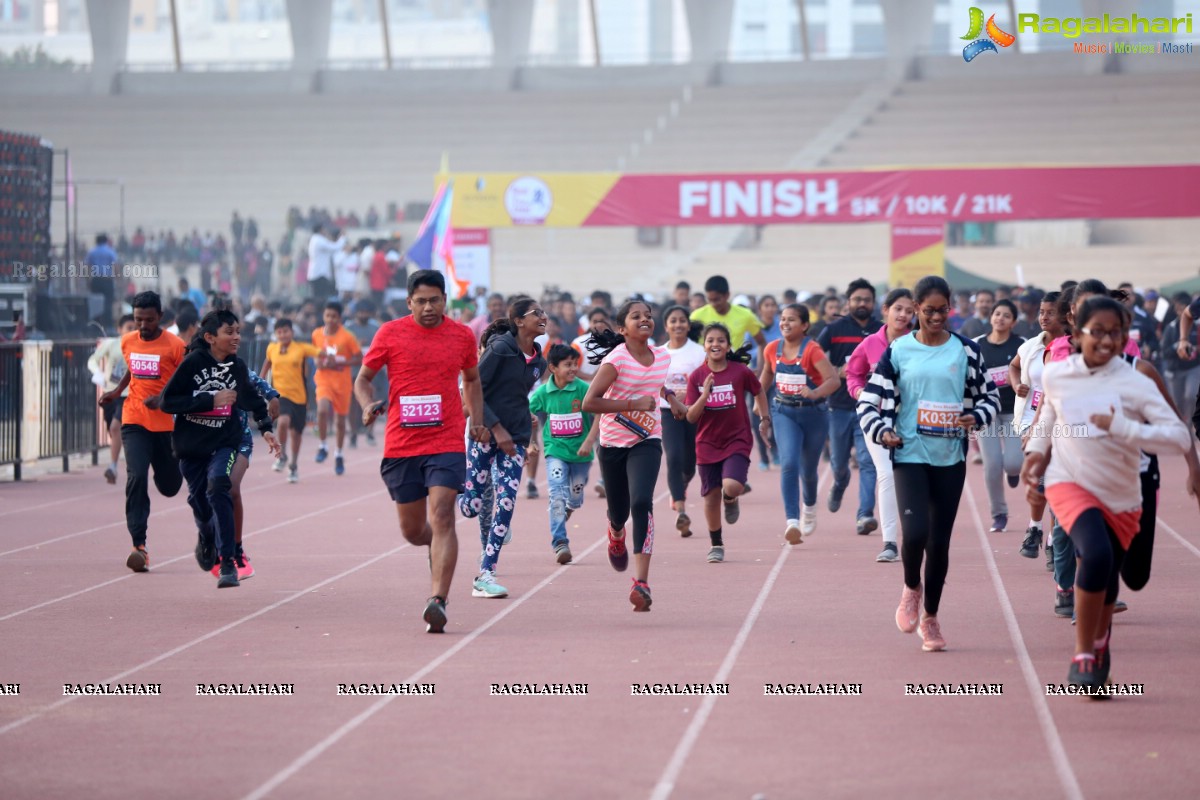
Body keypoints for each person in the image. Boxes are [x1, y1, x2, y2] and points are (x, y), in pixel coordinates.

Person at [1021, 296, 1191, 692]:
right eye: (1096, 332)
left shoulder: (1135, 381)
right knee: (1094, 554)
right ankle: (1082, 652)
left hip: (1122, 492)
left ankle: (1099, 647)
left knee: (1109, 581)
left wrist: (1127, 430)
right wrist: (1035, 455)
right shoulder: (1059, 375)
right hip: (1070, 483)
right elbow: (1047, 419)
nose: (1106, 340)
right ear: (1077, 334)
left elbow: (1179, 436)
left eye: (1115, 332)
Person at [858, 275, 1000, 652]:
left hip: (950, 457)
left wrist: (977, 416)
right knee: (916, 532)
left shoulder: (966, 351)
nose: (937, 317)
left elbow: (990, 397)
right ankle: (910, 587)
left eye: (943, 310)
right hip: (908, 453)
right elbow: (867, 402)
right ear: (915, 310)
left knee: (939, 544)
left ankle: (931, 618)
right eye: (929, 311)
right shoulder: (899, 351)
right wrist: (882, 431)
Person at [354, 269, 487, 633]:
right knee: (414, 531)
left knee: (443, 513)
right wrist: (367, 405)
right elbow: (363, 379)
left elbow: (472, 380)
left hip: (445, 441)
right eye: (421, 301)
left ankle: (438, 600)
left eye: (435, 300)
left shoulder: (460, 336)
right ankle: (437, 545)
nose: (429, 307)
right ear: (409, 302)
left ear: (445, 301)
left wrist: (476, 420)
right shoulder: (390, 333)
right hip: (401, 444)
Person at [160, 309, 279, 589]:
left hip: (225, 442)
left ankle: (227, 563)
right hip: (191, 447)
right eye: (230, 332)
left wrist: (267, 429)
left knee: (219, 486)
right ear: (211, 337)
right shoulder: (192, 363)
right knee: (202, 506)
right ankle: (206, 535)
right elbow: (168, 401)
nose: (236, 337)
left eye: (238, 331)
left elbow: (252, 398)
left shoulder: (237, 366)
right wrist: (209, 401)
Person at [582, 299, 688, 611]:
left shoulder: (661, 356)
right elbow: (590, 402)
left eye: (648, 316)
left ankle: (641, 583)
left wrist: (672, 399)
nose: (644, 319)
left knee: (642, 502)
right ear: (621, 328)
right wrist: (632, 405)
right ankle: (615, 533)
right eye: (635, 316)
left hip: (647, 440)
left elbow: (656, 383)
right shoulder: (616, 360)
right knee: (620, 512)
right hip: (613, 444)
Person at [457, 296, 548, 598]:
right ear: (520, 320)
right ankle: (449, 487)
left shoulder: (539, 359)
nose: (544, 317)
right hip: (484, 432)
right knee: (471, 506)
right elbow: (473, 390)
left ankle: (486, 574)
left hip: (516, 437)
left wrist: (528, 428)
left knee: (506, 503)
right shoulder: (499, 350)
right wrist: (495, 428)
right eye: (537, 313)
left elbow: (518, 396)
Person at [98, 292, 187, 572]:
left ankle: (169, 474)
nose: (143, 325)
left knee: (171, 487)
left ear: (160, 317)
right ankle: (139, 546)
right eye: (138, 320)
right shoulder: (127, 341)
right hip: (134, 418)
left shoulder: (176, 346)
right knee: (136, 476)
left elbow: (183, 380)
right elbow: (132, 372)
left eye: (149, 320)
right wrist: (115, 392)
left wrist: (163, 398)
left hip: (165, 425)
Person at [756, 304, 838, 545]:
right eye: (783, 319)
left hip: (814, 414)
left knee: (809, 471)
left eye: (791, 320)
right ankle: (792, 521)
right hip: (784, 413)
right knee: (789, 463)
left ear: (804, 325)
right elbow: (767, 376)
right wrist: (759, 403)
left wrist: (815, 393)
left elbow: (833, 381)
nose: (784, 323)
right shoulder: (772, 349)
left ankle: (809, 508)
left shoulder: (812, 350)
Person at [846, 288, 915, 562]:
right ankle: (889, 543)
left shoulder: (918, 342)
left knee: (910, 477)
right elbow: (853, 373)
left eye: (909, 310)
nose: (903, 314)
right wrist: (859, 392)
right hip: (875, 418)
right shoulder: (870, 344)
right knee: (886, 474)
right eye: (898, 308)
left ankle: (916, 533)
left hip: (910, 419)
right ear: (886, 310)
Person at [685, 323, 762, 563]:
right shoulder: (697, 376)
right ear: (704, 346)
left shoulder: (740, 371)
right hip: (707, 443)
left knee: (732, 486)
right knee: (710, 496)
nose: (715, 344)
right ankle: (716, 543)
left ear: (728, 345)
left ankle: (731, 499)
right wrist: (705, 394)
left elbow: (758, 390)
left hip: (737, 438)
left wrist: (765, 418)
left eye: (720, 340)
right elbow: (690, 416)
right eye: (710, 340)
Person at [817, 278, 882, 535]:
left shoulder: (883, 331)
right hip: (839, 406)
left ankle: (864, 514)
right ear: (848, 303)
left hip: (871, 408)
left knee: (868, 461)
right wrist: (836, 371)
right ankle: (839, 483)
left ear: (874, 303)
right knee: (839, 463)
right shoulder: (834, 330)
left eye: (866, 299)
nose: (862, 303)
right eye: (857, 299)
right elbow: (812, 359)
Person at [528, 344, 598, 565]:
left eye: (575, 364)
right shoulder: (543, 393)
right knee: (557, 493)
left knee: (575, 495)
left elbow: (599, 415)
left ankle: (570, 506)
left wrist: (589, 440)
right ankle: (560, 542)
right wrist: (531, 441)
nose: (573, 368)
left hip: (581, 454)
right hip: (555, 451)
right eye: (567, 365)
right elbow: (526, 412)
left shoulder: (583, 389)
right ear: (553, 368)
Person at [1010, 291, 1065, 559]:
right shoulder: (1031, 345)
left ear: (1065, 315)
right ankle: (1035, 528)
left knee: (1054, 480)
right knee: (1039, 479)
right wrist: (1016, 385)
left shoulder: (1073, 347)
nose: (1043, 316)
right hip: (1030, 419)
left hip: (1063, 423)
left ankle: (1053, 540)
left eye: (1050, 312)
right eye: (1042, 312)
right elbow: (1013, 366)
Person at [973, 299, 1025, 532]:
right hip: (987, 413)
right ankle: (999, 513)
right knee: (992, 466)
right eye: (997, 314)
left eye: (1006, 315)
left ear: (1013, 322)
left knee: (1013, 463)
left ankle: (1013, 472)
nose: (1000, 318)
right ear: (991, 317)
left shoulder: (1022, 345)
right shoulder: (976, 345)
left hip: (1014, 411)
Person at [660, 305, 705, 537]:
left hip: (694, 412)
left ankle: (683, 485)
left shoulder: (699, 352)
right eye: (673, 321)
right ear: (666, 325)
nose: (678, 325)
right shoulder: (658, 353)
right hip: (668, 413)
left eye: (682, 321)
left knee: (690, 463)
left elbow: (708, 382)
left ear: (688, 325)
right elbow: (652, 383)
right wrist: (669, 397)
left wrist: (688, 397)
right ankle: (681, 511)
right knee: (674, 457)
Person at [260, 318, 321, 483]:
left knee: (296, 434)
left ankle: (293, 465)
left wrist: (329, 356)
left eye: (286, 331)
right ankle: (282, 455)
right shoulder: (272, 348)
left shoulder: (301, 349)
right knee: (283, 422)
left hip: (299, 397)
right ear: (276, 334)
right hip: (281, 395)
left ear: (292, 332)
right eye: (279, 332)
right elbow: (267, 362)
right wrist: (260, 379)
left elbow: (319, 352)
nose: (283, 334)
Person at [312, 300, 362, 476]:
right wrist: (318, 361)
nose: (330, 319)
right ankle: (323, 445)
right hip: (323, 379)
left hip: (342, 382)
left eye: (334, 316)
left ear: (339, 318)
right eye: (327, 315)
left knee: (341, 422)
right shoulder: (317, 334)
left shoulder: (347, 337)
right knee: (322, 411)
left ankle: (339, 454)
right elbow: (315, 354)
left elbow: (359, 358)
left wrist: (341, 361)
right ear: (324, 316)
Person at [89, 314, 136, 485]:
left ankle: (114, 466)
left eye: (135, 328)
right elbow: (92, 360)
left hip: (129, 395)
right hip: (111, 394)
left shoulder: (140, 346)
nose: (133, 331)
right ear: (119, 329)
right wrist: (98, 374)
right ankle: (118, 462)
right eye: (129, 328)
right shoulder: (111, 344)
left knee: (117, 427)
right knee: (113, 430)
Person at [689, 275, 767, 354]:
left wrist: (760, 366)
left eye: (716, 299)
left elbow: (762, 343)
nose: (713, 304)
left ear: (727, 295)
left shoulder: (746, 315)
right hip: (706, 365)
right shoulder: (696, 316)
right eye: (710, 300)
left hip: (737, 365)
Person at [345, 298, 383, 448]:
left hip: (373, 371)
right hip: (353, 371)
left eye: (367, 312)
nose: (364, 314)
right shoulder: (349, 329)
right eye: (361, 312)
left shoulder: (375, 328)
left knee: (373, 400)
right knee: (353, 404)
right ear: (356, 313)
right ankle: (353, 433)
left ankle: (370, 432)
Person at [751, 294, 781, 471]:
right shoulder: (753, 327)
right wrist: (759, 356)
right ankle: (763, 456)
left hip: (776, 379)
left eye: (773, 305)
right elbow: (745, 351)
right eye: (766, 305)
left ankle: (774, 448)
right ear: (760, 308)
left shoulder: (781, 325)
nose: (770, 308)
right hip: (755, 378)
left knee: (775, 414)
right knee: (756, 415)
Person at [87, 233, 120, 330]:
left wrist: (88, 280)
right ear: (106, 241)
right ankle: (108, 325)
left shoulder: (92, 252)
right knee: (108, 303)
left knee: (95, 303)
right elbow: (115, 266)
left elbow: (88, 267)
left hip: (96, 280)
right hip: (107, 280)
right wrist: (117, 278)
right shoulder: (110, 251)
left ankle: (95, 325)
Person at [306, 225, 345, 302]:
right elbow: (335, 247)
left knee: (319, 296)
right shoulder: (318, 240)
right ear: (321, 230)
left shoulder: (315, 239)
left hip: (317, 273)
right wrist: (343, 237)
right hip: (319, 274)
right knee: (320, 297)